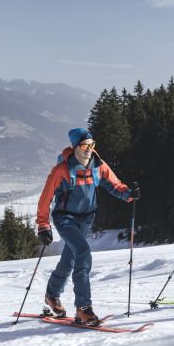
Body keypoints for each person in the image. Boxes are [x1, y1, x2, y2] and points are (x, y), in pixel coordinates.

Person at [37, 127, 139, 325]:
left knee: (70, 259)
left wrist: (129, 193)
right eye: (84, 145)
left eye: (92, 145)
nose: (88, 149)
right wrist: (43, 225)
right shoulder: (62, 170)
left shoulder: (98, 166)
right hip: (65, 219)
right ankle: (83, 307)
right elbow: (46, 198)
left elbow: (114, 185)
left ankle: (51, 295)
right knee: (83, 253)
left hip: (86, 219)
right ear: (75, 146)